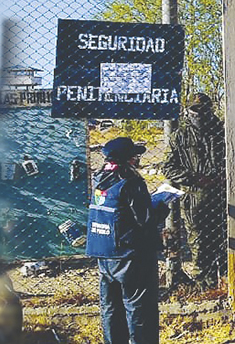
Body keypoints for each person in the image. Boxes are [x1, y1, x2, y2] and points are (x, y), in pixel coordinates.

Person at [87, 137, 168, 344]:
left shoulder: (100, 178)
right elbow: (145, 219)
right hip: (130, 255)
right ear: (129, 159)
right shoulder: (131, 182)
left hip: (104, 252)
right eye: (135, 155)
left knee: (111, 307)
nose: (137, 159)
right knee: (140, 308)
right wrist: (161, 207)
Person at [161, 92, 227, 287]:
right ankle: (204, 286)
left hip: (225, 195)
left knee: (226, 241)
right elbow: (168, 167)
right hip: (195, 199)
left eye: (204, 109)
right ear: (188, 111)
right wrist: (196, 179)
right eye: (195, 109)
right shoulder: (180, 136)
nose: (200, 113)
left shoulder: (222, 131)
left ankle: (226, 283)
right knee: (200, 243)